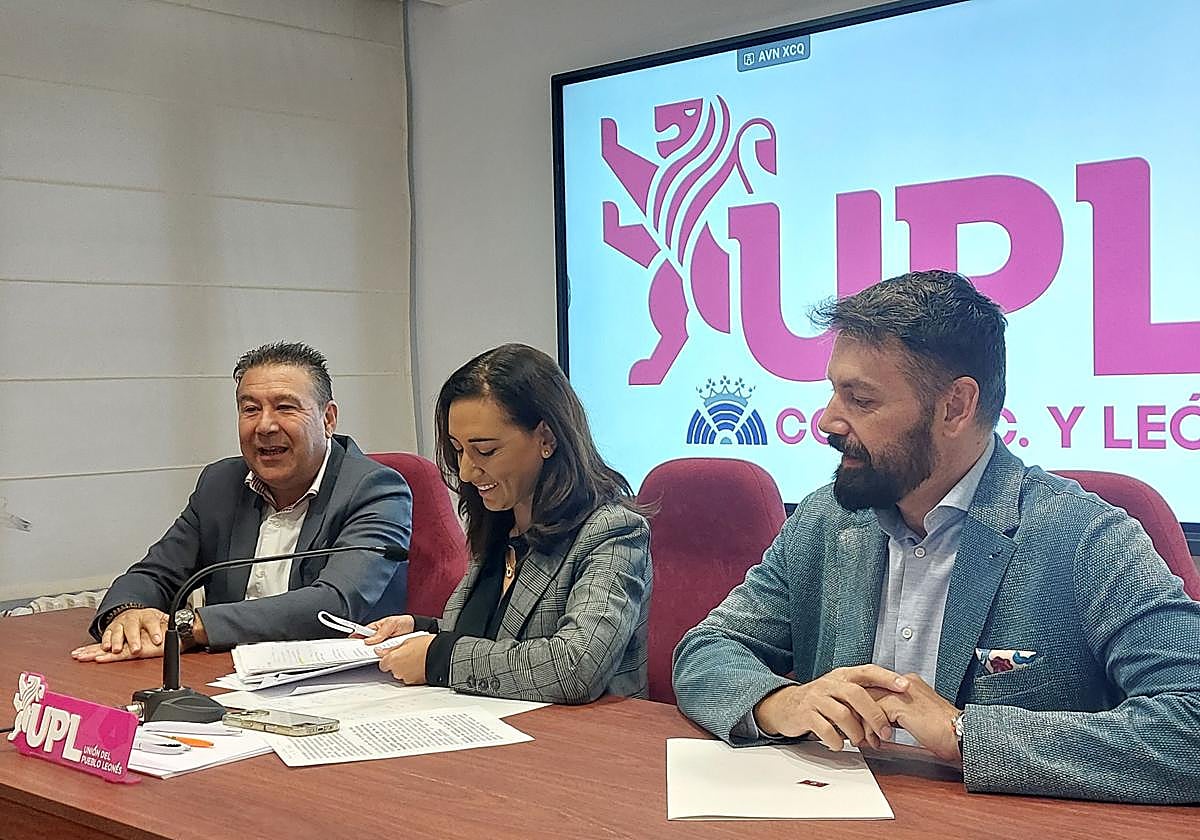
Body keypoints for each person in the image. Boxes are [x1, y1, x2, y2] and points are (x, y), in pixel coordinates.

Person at [672, 270, 1200, 804]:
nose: (827, 421)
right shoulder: (824, 522)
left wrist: (966, 735)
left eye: (860, 400)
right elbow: (704, 651)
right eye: (834, 392)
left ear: (955, 407)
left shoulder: (1085, 537)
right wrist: (778, 702)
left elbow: (1191, 721)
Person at [73, 342, 412, 661]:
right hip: (225, 673)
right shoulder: (221, 484)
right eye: (250, 409)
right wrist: (130, 613)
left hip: (335, 680)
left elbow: (333, 605)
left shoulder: (376, 489)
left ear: (328, 419)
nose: (264, 425)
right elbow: (155, 574)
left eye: (284, 407)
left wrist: (192, 627)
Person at [361, 343, 652, 704]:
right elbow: (499, 640)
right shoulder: (501, 521)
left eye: (485, 451)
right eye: (457, 449)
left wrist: (438, 656)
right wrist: (422, 630)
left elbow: (576, 667)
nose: (466, 471)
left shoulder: (614, 531)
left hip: (580, 746)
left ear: (546, 438)